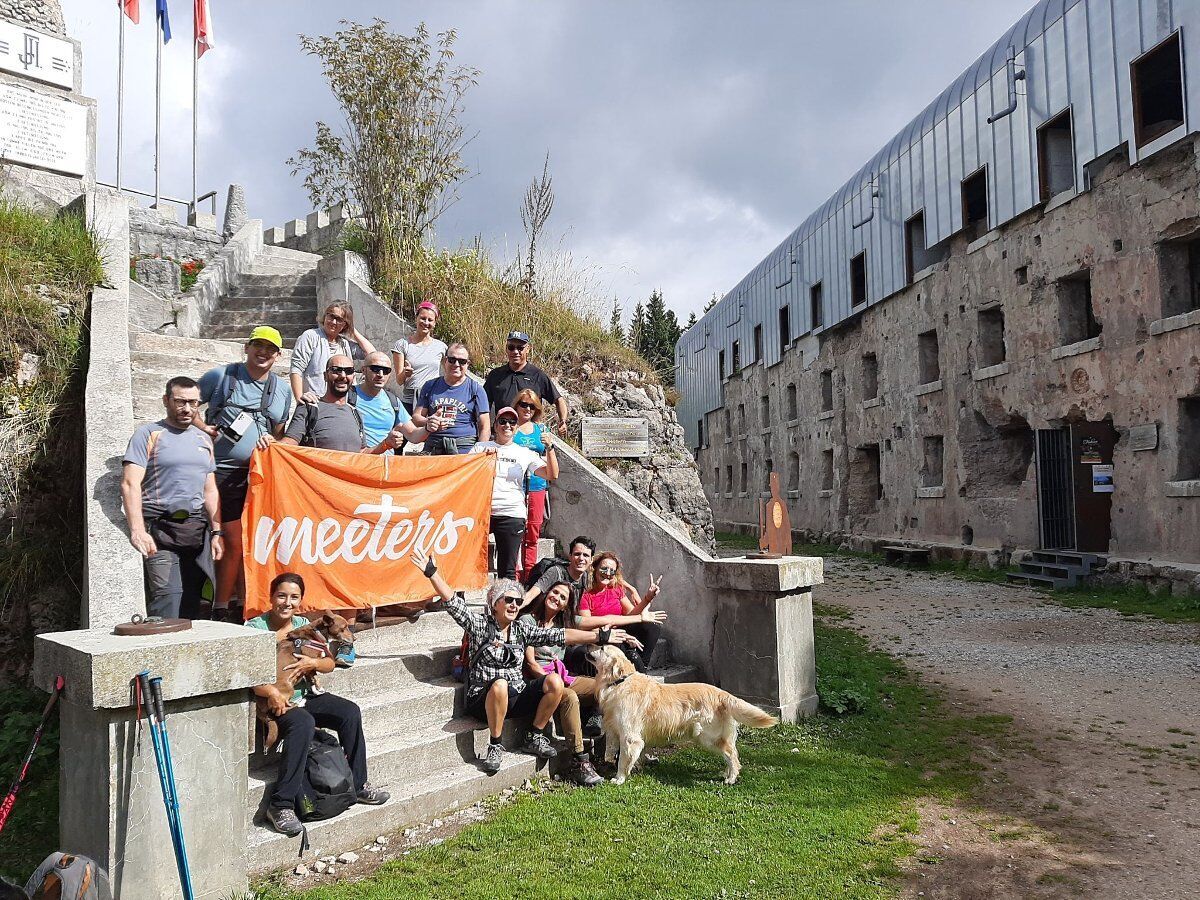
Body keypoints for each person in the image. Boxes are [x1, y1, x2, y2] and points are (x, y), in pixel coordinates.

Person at [410, 547, 640, 777]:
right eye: (508, 600)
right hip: (483, 698)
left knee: (554, 682)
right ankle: (495, 744)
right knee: (499, 684)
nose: (513, 604)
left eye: (517, 601)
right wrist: (432, 573)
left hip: (515, 695)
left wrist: (599, 637)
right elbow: (453, 603)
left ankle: (534, 734)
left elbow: (561, 635)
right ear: (494, 604)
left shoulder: (521, 629)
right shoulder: (479, 626)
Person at [247, 572, 388, 836]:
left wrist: (312, 663)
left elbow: (329, 663)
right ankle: (281, 805)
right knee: (303, 723)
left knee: (349, 712)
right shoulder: (254, 629)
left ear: (300, 601)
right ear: (271, 597)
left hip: (306, 695)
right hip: (277, 700)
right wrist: (270, 693)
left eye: (294, 597)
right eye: (281, 595)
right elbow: (245, 675)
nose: (287, 602)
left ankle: (357, 785)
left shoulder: (304, 624)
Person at [196, 326, 292, 621]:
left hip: (259, 477)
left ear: (277, 355)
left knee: (250, 544)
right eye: (258, 346)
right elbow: (186, 405)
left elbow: (278, 430)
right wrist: (205, 431)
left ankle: (241, 603)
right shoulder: (221, 377)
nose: (263, 352)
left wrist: (272, 442)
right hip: (221, 474)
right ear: (247, 347)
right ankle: (221, 607)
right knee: (233, 542)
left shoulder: (283, 390)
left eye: (270, 348)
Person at [121, 376, 223, 619]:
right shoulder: (148, 434)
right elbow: (129, 483)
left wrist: (217, 532)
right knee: (168, 601)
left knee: (196, 603)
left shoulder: (203, 439)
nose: (187, 409)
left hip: (196, 532)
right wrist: (137, 530)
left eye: (193, 403)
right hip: (160, 532)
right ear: (166, 401)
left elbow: (210, 490)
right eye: (180, 402)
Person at [519, 581, 606, 784]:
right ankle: (580, 761)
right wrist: (553, 682)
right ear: (547, 593)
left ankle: (595, 720)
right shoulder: (527, 621)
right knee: (571, 697)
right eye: (554, 592)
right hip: (538, 681)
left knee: (601, 686)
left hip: (562, 676)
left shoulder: (563, 625)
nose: (556, 598)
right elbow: (530, 662)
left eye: (562, 597)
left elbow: (597, 625)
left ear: (566, 605)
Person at [472, 407, 558, 579]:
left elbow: (551, 474)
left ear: (517, 428)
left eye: (512, 422)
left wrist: (550, 448)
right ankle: (458, 600)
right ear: (495, 425)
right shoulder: (480, 448)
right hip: (482, 513)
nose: (507, 425)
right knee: (469, 561)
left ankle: (505, 604)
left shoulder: (524, 453)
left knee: (508, 569)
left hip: (511, 513)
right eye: (502, 421)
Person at [281, 356, 404, 454]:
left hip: (348, 484)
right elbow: (288, 444)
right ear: (325, 375)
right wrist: (270, 444)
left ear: (353, 377)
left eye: (348, 371)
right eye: (336, 370)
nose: (343, 376)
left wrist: (386, 444)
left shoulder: (355, 414)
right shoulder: (309, 407)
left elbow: (362, 454)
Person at [575, 551, 666, 673]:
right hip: (602, 636)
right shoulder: (585, 595)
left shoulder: (615, 588)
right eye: (604, 568)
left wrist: (648, 598)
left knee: (652, 627)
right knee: (631, 656)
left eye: (611, 570)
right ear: (595, 568)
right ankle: (636, 667)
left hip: (622, 631)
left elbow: (631, 614)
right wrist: (618, 635)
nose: (607, 573)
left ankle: (642, 667)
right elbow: (587, 628)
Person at [483, 331, 569, 436]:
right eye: (511, 347)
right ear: (506, 348)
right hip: (503, 434)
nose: (515, 351)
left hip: (529, 436)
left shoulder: (538, 375)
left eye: (520, 348)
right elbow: (483, 405)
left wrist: (563, 421)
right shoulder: (495, 375)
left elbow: (558, 400)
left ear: (528, 349)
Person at [289, 303, 376, 405]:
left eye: (339, 320)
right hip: (316, 402)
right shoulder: (311, 336)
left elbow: (373, 356)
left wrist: (353, 331)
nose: (333, 322)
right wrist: (300, 399)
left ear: (345, 324)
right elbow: (296, 369)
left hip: (343, 404)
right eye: (331, 316)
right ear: (325, 316)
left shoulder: (344, 343)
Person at [413, 342, 490, 455]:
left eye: (462, 361)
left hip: (464, 449)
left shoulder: (476, 389)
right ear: (445, 361)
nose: (456, 364)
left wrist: (478, 454)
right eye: (452, 360)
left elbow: (485, 426)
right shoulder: (430, 386)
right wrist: (429, 422)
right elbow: (416, 417)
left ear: (468, 364)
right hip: (434, 446)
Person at [351, 351, 430, 452]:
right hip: (357, 463)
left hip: (385, 464)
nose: (380, 374)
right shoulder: (348, 397)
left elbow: (412, 434)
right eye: (375, 369)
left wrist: (428, 427)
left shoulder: (393, 401)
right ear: (363, 370)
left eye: (386, 370)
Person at [510, 389, 550, 578]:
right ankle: (515, 574)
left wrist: (550, 445)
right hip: (514, 485)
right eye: (523, 404)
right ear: (516, 405)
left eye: (532, 406)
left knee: (533, 531)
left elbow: (549, 456)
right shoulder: (509, 426)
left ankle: (529, 574)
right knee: (515, 531)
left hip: (536, 484)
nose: (527, 409)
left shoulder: (541, 430)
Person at [391, 301, 447, 414]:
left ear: (435, 323)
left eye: (430, 320)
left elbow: (449, 372)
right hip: (410, 401)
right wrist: (405, 373)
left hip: (432, 400)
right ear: (416, 318)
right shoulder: (402, 345)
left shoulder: (441, 347)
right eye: (422, 318)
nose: (426, 323)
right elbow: (399, 380)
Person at [522, 535, 595, 609]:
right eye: (577, 554)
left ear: (591, 560)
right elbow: (531, 594)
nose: (581, 558)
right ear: (570, 556)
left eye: (586, 555)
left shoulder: (585, 577)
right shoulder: (556, 572)